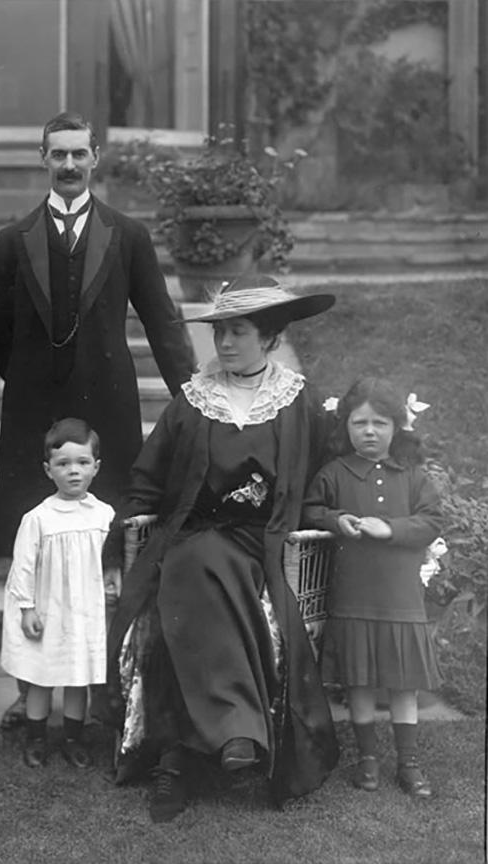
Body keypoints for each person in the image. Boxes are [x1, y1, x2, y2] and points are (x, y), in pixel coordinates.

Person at [97, 275, 340, 822]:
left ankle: (180, 759)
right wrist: (126, 522)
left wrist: (331, 516)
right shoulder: (193, 401)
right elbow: (148, 476)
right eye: (220, 333)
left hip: (262, 542)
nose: (225, 344)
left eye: (238, 332)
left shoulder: (296, 404)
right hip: (191, 533)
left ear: (270, 336)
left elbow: (321, 480)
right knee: (193, 563)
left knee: (205, 567)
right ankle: (234, 734)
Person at [0, 111, 195, 728]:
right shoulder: (13, 238)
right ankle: (31, 692)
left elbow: (161, 320)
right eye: (59, 155)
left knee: (107, 554)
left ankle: (106, 686)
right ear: (43, 158)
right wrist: (27, 380)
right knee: (37, 553)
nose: (70, 165)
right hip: (36, 421)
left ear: (96, 157)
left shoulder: (127, 235)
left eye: (79, 154)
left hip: (108, 412)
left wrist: (192, 398)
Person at [303, 377, 443, 798]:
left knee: (403, 682)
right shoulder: (334, 473)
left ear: (396, 427)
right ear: (345, 426)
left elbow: (432, 520)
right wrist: (335, 519)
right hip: (354, 596)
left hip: (400, 599)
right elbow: (310, 508)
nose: (369, 431)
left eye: (379, 423)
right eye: (359, 422)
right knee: (359, 680)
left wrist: (391, 528)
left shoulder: (413, 475)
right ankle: (367, 758)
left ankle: (409, 763)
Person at [0, 419, 117, 769]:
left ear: (96, 467)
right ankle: (36, 737)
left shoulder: (105, 515)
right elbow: (22, 566)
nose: (73, 472)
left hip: (84, 611)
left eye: (82, 463)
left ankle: (72, 737)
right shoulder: (38, 518)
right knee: (42, 675)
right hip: (49, 609)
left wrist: (113, 581)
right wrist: (26, 608)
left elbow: (111, 560)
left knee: (76, 675)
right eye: (63, 464)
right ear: (48, 470)